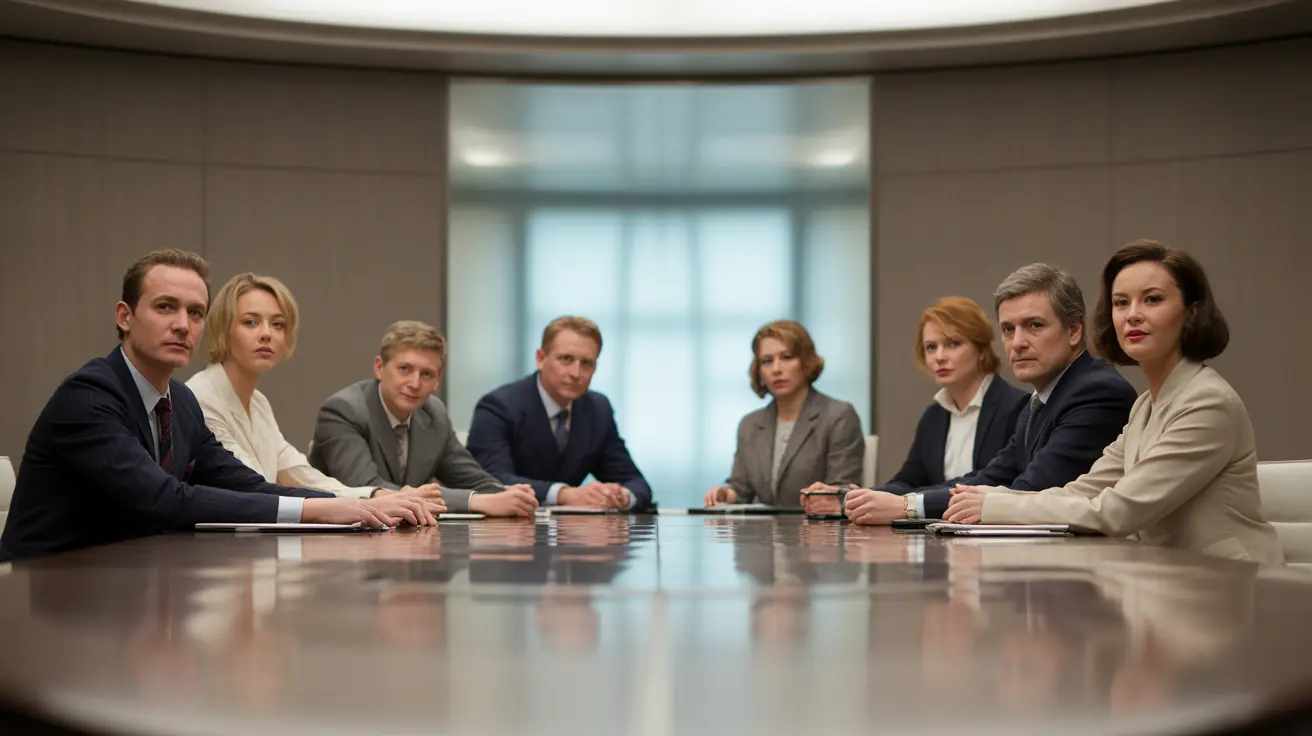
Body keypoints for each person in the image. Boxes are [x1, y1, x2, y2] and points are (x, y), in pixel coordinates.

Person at [0, 251, 436, 561]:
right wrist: (325, 508)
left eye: (194, 313)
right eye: (165, 307)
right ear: (125, 316)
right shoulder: (89, 396)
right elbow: (165, 499)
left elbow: (246, 484)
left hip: (125, 582)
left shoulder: (181, 402)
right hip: (44, 587)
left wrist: (353, 507)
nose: (182, 324)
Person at [945, 241, 1283, 564]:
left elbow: (1116, 511)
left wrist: (995, 506)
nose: (1132, 315)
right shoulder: (1145, 407)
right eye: (1121, 303)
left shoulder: (1207, 402)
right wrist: (996, 499)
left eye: (1152, 300)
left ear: (1191, 313)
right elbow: (1082, 491)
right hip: (1168, 582)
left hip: (1229, 589)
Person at [841, 263, 1138, 524]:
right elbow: (989, 477)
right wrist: (877, 500)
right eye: (1008, 330)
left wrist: (907, 506)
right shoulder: (1041, 399)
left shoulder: (1097, 392)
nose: (1017, 343)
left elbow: (1027, 491)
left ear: (1074, 331)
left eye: (1034, 325)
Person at [187, 273, 445, 507]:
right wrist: (360, 505)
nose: (266, 334)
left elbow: (298, 473)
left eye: (277, 325)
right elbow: (252, 487)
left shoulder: (258, 403)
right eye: (251, 322)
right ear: (223, 328)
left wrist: (377, 495)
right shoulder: (201, 397)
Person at [309, 321, 539, 517]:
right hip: (343, 543)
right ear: (379, 368)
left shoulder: (433, 413)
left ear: (438, 380)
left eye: (427, 374)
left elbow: (471, 478)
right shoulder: (343, 410)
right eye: (405, 369)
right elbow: (368, 488)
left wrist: (506, 493)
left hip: (408, 538)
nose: (415, 383)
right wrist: (475, 501)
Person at [467, 316, 652, 510]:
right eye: (566, 359)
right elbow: (492, 481)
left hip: (573, 533)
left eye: (587, 363)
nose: (576, 373)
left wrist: (620, 496)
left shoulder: (598, 409)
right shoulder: (498, 406)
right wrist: (564, 494)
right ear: (540, 358)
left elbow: (635, 482)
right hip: (508, 531)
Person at [873, 297, 1027, 495]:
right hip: (939, 524)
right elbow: (907, 481)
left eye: (953, 344)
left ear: (981, 350)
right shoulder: (933, 416)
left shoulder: (1016, 407)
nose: (939, 356)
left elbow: (998, 483)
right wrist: (857, 495)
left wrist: (919, 500)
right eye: (931, 347)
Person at [703, 320, 863, 508]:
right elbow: (741, 488)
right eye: (767, 361)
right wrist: (726, 494)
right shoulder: (750, 424)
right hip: (763, 535)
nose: (776, 369)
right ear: (759, 370)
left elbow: (843, 492)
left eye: (786, 357)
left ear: (805, 361)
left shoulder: (839, 416)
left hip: (819, 532)